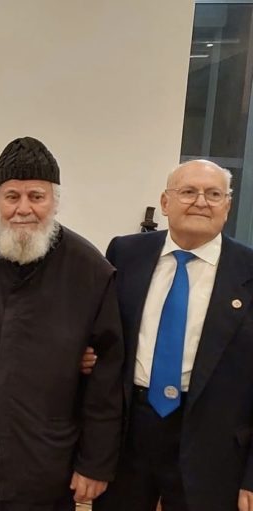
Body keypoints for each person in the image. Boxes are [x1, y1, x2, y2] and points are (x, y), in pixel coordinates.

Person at [0, 136, 124, 510]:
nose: (23, 209)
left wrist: (95, 462)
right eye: (12, 196)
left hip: (44, 457)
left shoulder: (90, 270)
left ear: (55, 201)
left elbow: (108, 377)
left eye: (36, 196)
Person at [96, 160, 253, 511]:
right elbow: (104, 337)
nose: (201, 202)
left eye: (214, 194)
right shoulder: (125, 253)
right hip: (130, 436)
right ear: (165, 203)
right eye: (188, 191)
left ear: (228, 205)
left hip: (214, 446)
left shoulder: (249, 271)